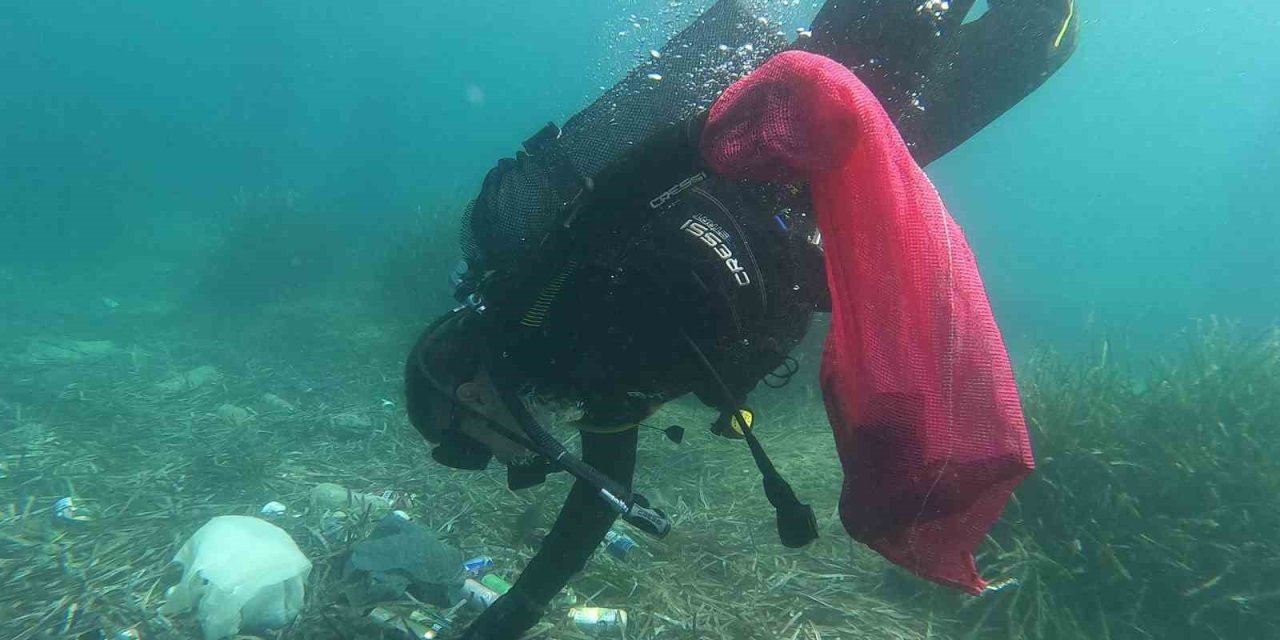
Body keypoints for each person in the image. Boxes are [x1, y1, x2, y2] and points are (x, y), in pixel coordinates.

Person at [405, 1, 1079, 638]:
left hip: (790, 125)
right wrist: (520, 607)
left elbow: (609, 200)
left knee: (923, 23)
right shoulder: (582, 379)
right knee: (1038, 41)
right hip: (825, 188)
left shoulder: (535, 309)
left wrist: (714, 132)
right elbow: (600, 499)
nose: (491, 461)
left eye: (469, 447)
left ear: (467, 396)